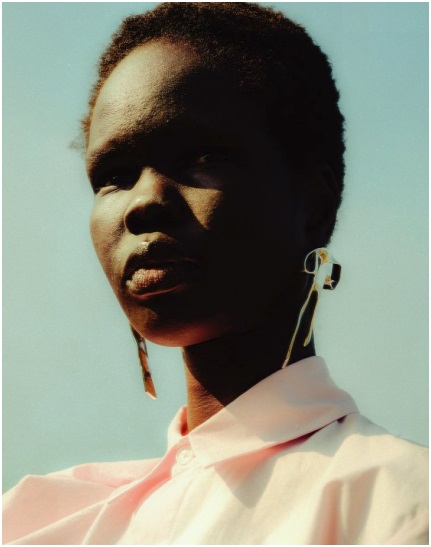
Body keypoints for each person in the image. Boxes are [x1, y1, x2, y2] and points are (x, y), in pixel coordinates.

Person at [3, 2, 428, 544]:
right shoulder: (33, 519)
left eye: (203, 158)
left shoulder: (398, 504)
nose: (143, 203)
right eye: (114, 175)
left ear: (315, 205)